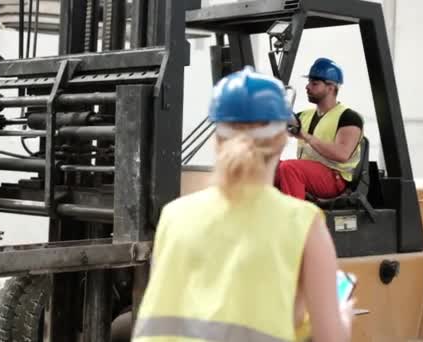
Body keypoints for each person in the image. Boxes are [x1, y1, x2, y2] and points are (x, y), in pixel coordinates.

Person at [131, 67, 353, 342]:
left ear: (217, 138)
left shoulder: (174, 216)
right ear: (282, 138)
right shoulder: (303, 225)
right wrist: (342, 316)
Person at [276, 57, 364, 200]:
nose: (307, 87)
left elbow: (342, 154)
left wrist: (306, 136)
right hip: (307, 172)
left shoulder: (349, 117)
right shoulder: (304, 115)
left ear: (331, 87)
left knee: (290, 168)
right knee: (266, 166)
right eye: (309, 82)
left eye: (314, 83)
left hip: (334, 178)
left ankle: (295, 220)